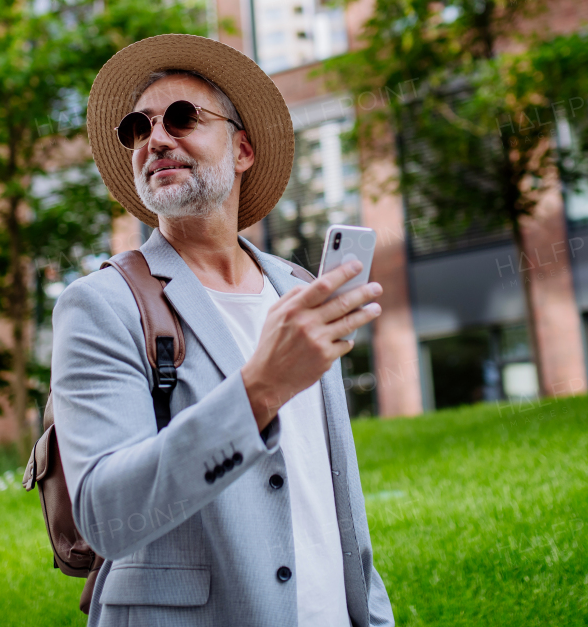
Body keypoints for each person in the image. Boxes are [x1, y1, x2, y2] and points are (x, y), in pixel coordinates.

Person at [51, 34, 395, 626]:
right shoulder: (99, 305)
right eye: (138, 128)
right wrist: (258, 390)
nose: (156, 139)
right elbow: (106, 515)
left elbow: (331, 493)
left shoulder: (296, 288)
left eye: (182, 118)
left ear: (242, 150)